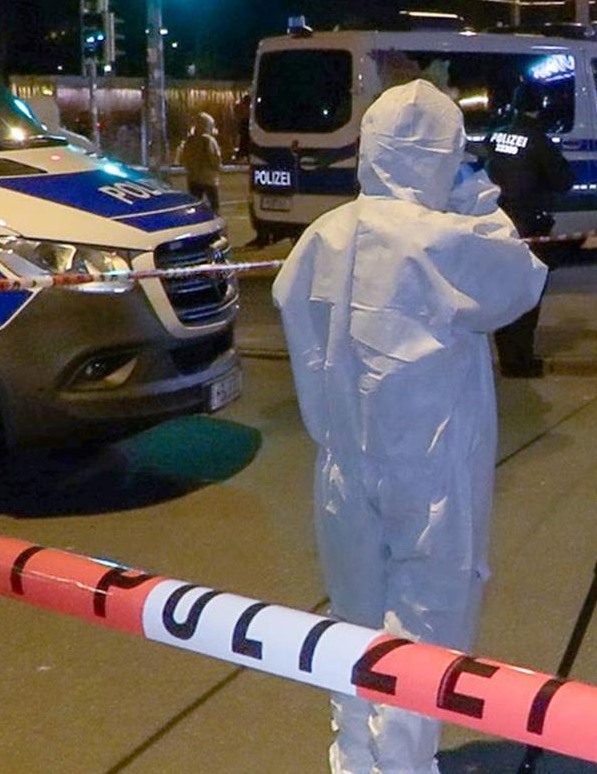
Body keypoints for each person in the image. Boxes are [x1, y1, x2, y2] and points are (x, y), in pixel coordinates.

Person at [272, 81, 547, 774]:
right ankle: (400, 767)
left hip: (341, 462)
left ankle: (354, 762)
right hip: (427, 472)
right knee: (422, 642)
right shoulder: (440, 240)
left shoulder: (321, 236)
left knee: (352, 628)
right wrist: (479, 201)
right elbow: (519, 279)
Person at [484, 83, 575, 377]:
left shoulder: (496, 136)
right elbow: (563, 181)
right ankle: (520, 360)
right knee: (527, 295)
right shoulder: (538, 141)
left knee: (504, 292)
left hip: (497, 224)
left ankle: (508, 356)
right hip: (528, 226)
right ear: (540, 106)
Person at [177, 111, 222, 212]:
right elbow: (215, 158)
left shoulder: (190, 140)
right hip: (208, 178)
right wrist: (218, 168)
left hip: (193, 178)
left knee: (195, 204)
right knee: (214, 205)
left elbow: (184, 157)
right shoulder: (209, 140)